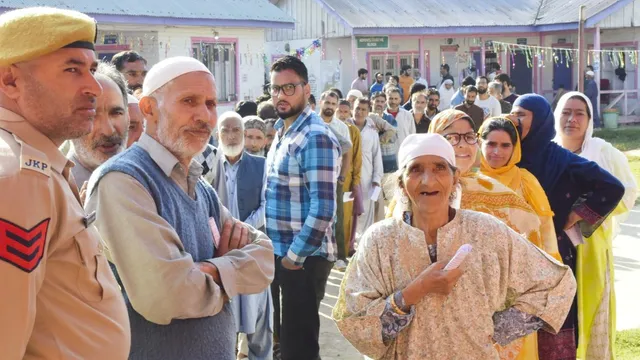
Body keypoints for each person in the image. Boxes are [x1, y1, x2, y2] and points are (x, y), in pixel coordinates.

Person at [85, 56, 274, 359]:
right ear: (148, 108)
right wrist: (231, 273)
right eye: (189, 101)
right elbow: (167, 297)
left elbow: (264, 257)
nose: (204, 116)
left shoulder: (200, 185)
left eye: (211, 104)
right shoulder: (122, 181)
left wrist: (209, 270)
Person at [333, 132, 576, 360]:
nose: (428, 180)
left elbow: (557, 284)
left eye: (439, 168)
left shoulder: (486, 231)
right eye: (416, 170)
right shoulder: (379, 240)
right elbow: (355, 322)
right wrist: (415, 291)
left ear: (455, 177)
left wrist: (495, 330)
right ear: (401, 183)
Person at [0, 7, 130, 358]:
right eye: (72, 69)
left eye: (91, 69)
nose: (93, 87)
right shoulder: (17, 174)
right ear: (10, 81)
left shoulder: (36, 163)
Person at [509, 94, 625, 359]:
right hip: (515, 257)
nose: (514, 120)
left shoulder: (560, 159)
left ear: (538, 120)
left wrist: (576, 214)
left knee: (553, 329)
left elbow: (613, 187)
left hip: (554, 257)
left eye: (522, 114)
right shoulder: (507, 155)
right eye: (514, 113)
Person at [265, 56, 341, 360]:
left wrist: (293, 260)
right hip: (283, 254)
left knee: (300, 349)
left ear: (306, 89)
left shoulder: (315, 136)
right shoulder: (284, 132)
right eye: (275, 89)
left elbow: (324, 208)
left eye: (289, 88)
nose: (281, 95)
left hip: (304, 259)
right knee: (287, 344)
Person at [553, 92, 637, 360]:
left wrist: (583, 212)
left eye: (579, 113)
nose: (572, 119)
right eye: (566, 112)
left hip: (592, 247)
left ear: (589, 119)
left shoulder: (603, 152)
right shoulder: (548, 153)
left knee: (592, 310)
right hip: (552, 247)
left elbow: (627, 195)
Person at [213, 111, 272, 360]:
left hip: (251, 247)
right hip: (218, 250)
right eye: (225, 130)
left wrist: (243, 230)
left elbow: (266, 205)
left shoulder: (260, 165)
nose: (231, 135)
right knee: (223, 317)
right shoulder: (206, 164)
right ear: (218, 134)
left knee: (257, 314)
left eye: (236, 130)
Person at [68, 62, 129, 187]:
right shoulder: (52, 187)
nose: (108, 131)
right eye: (93, 115)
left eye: (116, 113)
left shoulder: (147, 181)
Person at [319, 90, 354, 272]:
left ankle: (340, 257)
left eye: (333, 104)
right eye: (328, 103)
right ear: (321, 103)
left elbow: (348, 153)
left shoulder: (341, 128)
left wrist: (342, 176)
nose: (330, 107)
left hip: (334, 178)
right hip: (314, 177)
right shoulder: (313, 122)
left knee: (337, 216)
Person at [352, 97, 383, 240]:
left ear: (368, 112)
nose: (359, 112)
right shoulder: (345, 128)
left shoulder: (372, 132)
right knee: (349, 209)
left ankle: (365, 244)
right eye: (358, 108)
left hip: (368, 178)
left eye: (363, 109)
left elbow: (377, 156)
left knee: (368, 210)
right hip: (349, 178)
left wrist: (377, 179)